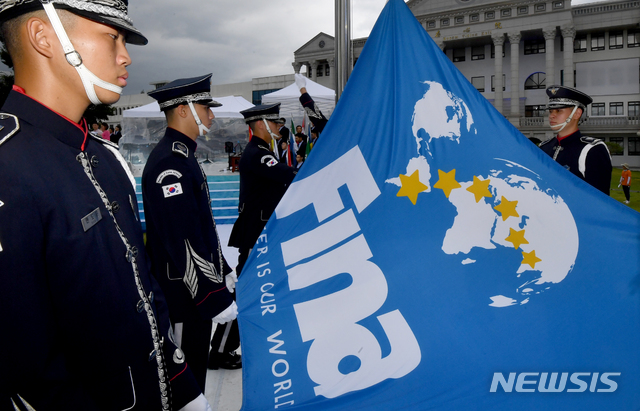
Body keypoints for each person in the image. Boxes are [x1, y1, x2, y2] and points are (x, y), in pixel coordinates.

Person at [0, 1, 207, 409]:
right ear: (43, 38)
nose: (126, 55)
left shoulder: (105, 158)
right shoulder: (7, 164)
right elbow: (24, 366)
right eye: (112, 37)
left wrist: (180, 386)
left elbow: (144, 288)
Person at [143, 74, 241, 392]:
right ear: (184, 110)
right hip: (183, 297)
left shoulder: (183, 155)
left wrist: (222, 270)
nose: (211, 114)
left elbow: (203, 228)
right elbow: (182, 239)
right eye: (205, 106)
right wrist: (210, 295)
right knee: (185, 382)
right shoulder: (169, 163)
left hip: (192, 292)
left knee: (196, 370)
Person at [228, 103, 298, 275]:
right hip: (257, 229)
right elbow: (286, 174)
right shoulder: (258, 153)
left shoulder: (260, 150)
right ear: (261, 124)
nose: (278, 127)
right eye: (274, 123)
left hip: (260, 225)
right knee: (250, 275)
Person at [539, 85, 612, 195]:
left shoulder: (592, 150)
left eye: (558, 111)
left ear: (577, 113)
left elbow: (599, 200)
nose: (551, 116)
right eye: (550, 111)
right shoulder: (544, 147)